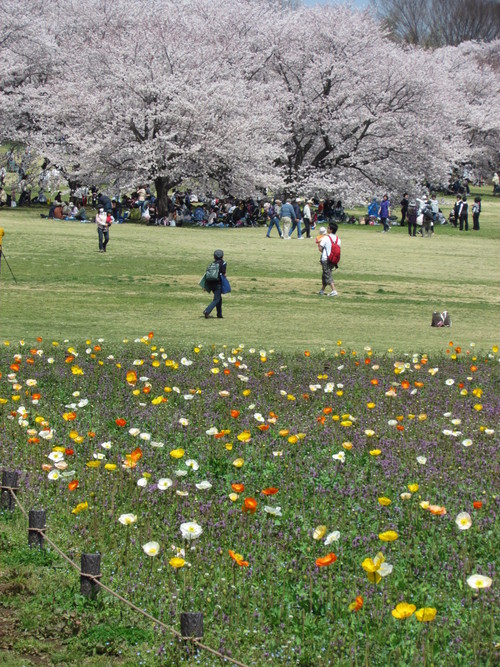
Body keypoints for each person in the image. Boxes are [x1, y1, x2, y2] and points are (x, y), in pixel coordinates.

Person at [318, 222, 341, 297]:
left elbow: (320, 248)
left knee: (327, 275)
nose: (327, 229)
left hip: (326, 259)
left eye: (328, 228)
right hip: (333, 260)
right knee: (325, 274)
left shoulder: (326, 238)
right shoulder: (338, 239)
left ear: (330, 230)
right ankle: (322, 290)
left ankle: (334, 290)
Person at [203, 249, 227, 319]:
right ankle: (207, 311)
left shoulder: (212, 264)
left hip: (210, 283)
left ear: (214, 256)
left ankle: (219, 314)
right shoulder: (223, 263)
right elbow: (224, 273)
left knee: (219, 298)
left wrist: (205, 285)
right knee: (216, 299)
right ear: (222, 256)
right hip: (218, 284)